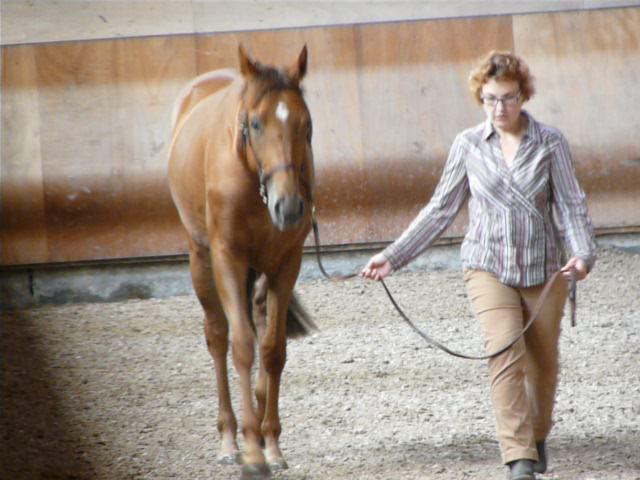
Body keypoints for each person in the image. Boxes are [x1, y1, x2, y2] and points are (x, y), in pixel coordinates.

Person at [360, 50, 597, 480]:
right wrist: (392, 256)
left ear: (523, 95)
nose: (499, 108)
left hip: (545, 270)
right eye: (490, 99)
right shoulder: (467, 145)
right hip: (486, 266)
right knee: (504, 351)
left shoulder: (551, 143)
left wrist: (582, 254)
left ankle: (537, 434)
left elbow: (571, 205)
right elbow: (439, 210)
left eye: (507, 98)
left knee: (543, 366)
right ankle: (518, 457)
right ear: (480, 98)